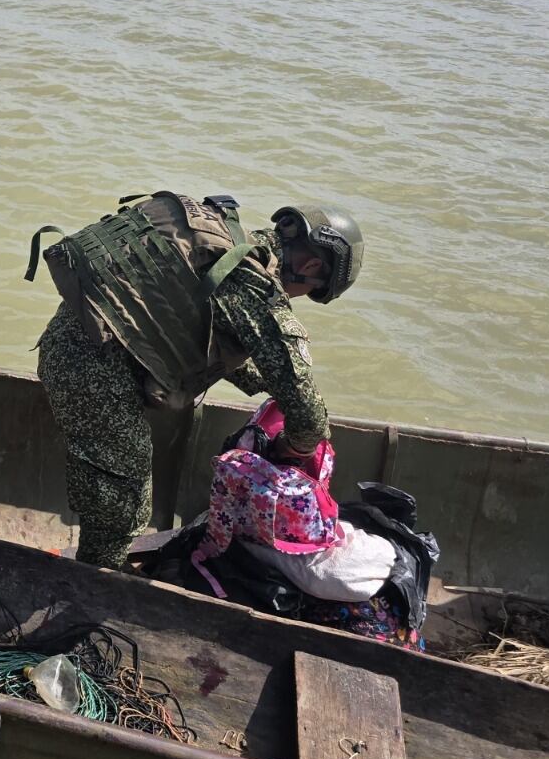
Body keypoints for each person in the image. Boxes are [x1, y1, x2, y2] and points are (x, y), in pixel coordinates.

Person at [26, 193, 363, 569]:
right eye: (311, 291)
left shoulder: (222, 245)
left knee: (123, 484)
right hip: (91, 371)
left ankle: (99, 565)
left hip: (72, 343)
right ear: (312, 264)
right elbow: (309, 419)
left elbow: (195, 324)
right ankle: (93, 583)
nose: (298, 298)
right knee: (125, 500)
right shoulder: (253, 287)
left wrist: (268, 384)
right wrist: (293, 444)